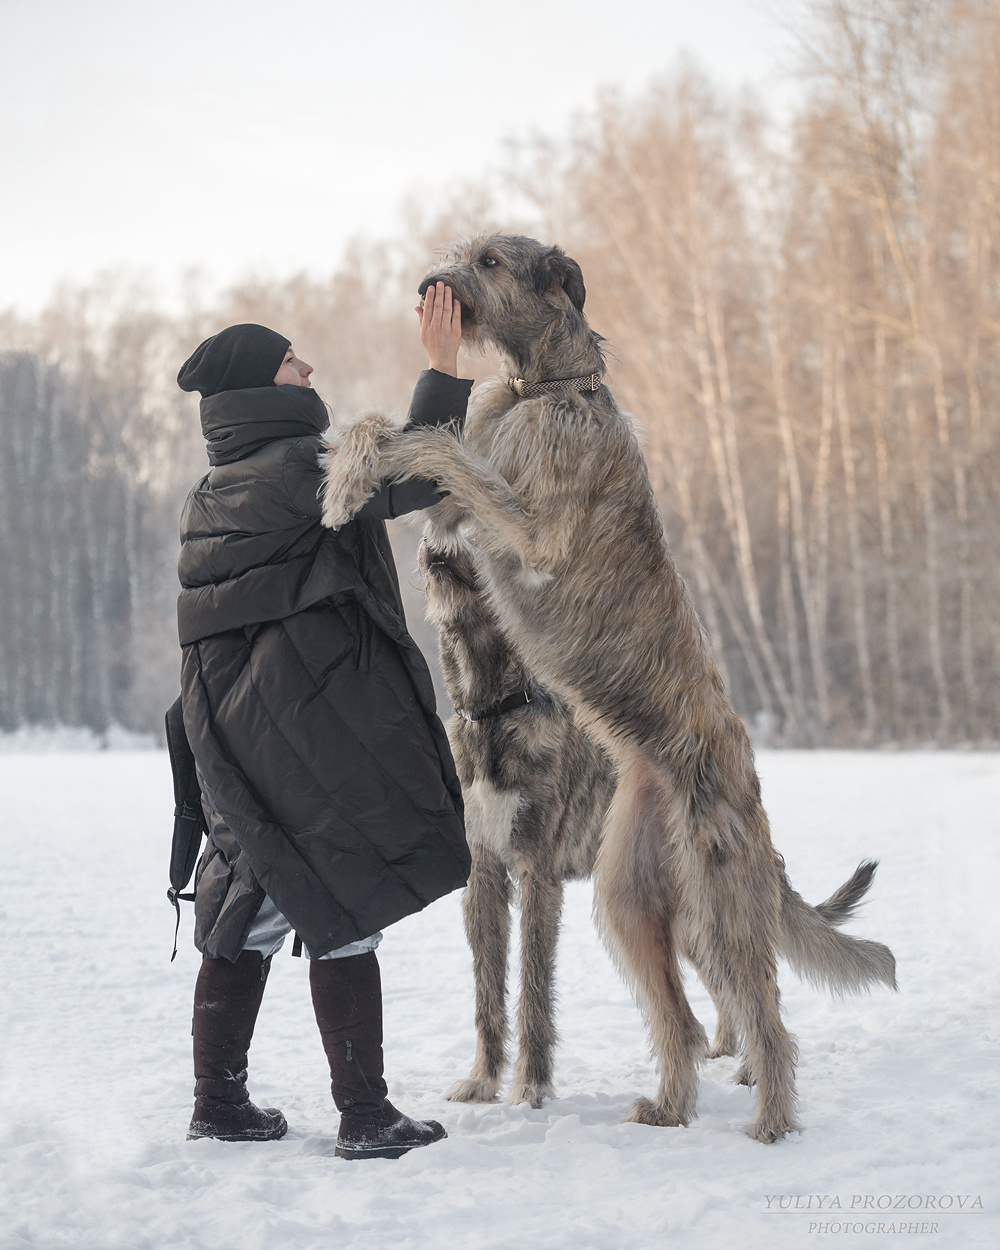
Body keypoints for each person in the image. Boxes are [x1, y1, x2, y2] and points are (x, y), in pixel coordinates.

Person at [174, 284, 472, 1160]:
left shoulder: (211, 491)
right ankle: (366, 1116)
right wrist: (442, 369)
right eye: (290, 357)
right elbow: (414, 477)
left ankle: (219, 1105)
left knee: (254, 908)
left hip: (235, 731)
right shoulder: (300, 471)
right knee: (341, 902)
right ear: (265, 384)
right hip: (306, 732)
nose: (307, 366)